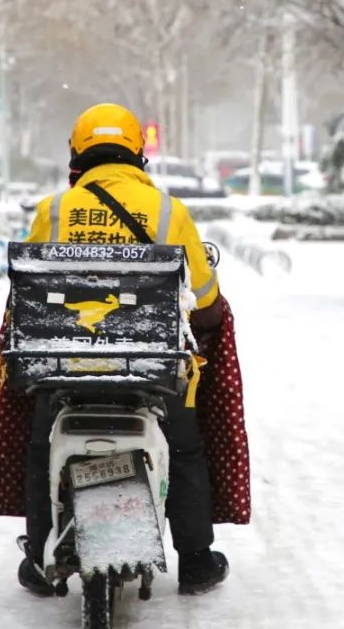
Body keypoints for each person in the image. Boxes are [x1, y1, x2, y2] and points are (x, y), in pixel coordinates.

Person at [17, 103, 230, 596]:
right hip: (147, 370)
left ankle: (38, 554)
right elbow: (205, 297)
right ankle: (196, 560)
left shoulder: (52, 211)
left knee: (38, 446)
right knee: (184, 448)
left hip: (64, 366)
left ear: (78, 154)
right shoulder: (166, 212)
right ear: (137, 153)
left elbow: (26, 292)